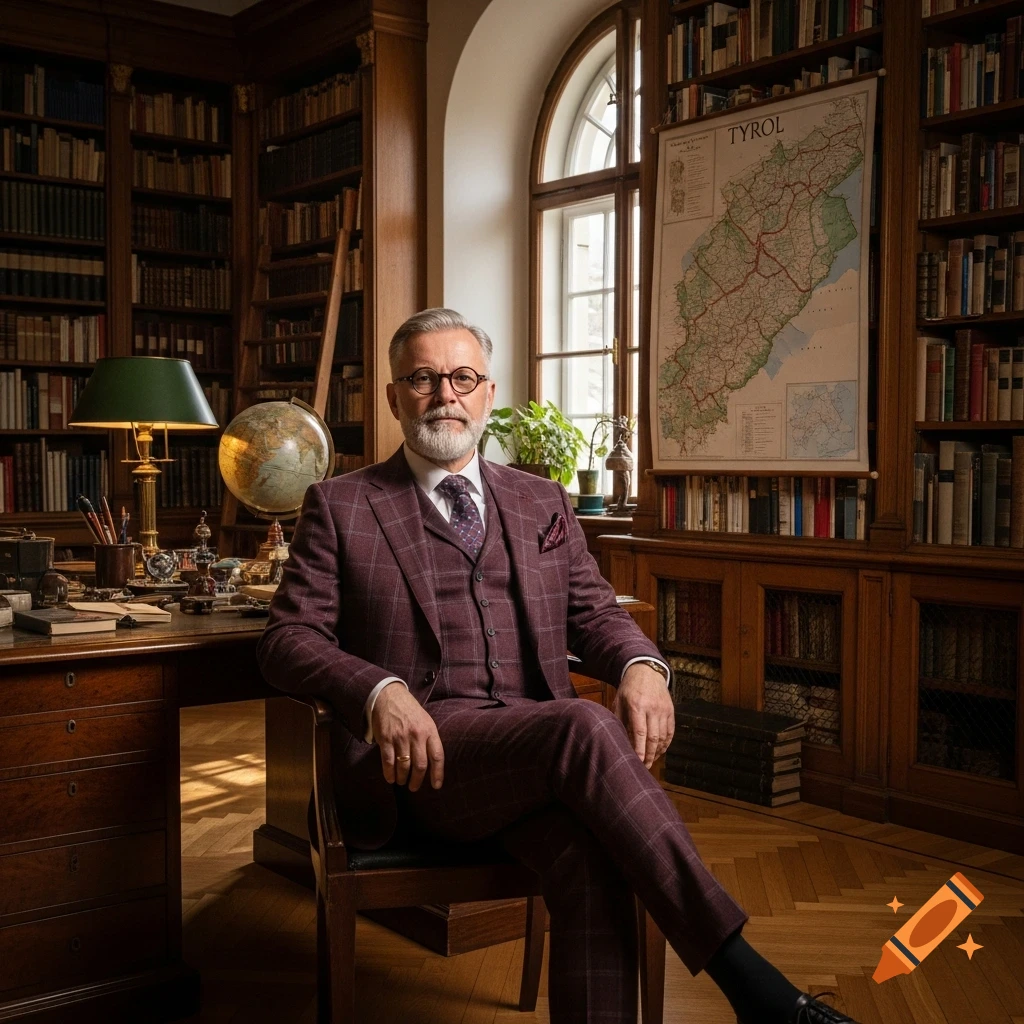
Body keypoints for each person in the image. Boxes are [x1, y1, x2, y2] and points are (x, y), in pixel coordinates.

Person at [257, 308, 861, 1024]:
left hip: (534, 760)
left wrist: (642, 665)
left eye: (461, 377)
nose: (443, 394)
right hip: (421, 771)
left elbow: (597, 613)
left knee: (593, 856)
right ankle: (751, 983)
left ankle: (754, 994)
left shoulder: (540, 499)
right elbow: (287, 639)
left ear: (487, 392)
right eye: (421, 378)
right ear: (394, 397)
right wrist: (377, 690)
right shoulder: (343, 504)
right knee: (582, 723)